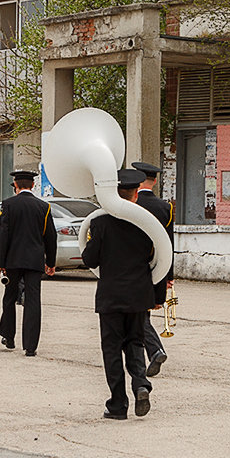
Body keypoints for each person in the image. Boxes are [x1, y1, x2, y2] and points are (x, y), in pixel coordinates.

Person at [82, 169, 155, 420]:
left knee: (112, 349)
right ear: (136, 194)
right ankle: (141, 384)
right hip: (138, 295)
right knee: (135, 342)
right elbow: (155, 258)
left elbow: (89, 258)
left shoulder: (100, 223)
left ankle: (118, 404)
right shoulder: (146, 222)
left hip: (111, 296)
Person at [0, 170, 57, 356]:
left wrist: (1, 263)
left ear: (16, 185)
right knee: (33, 301)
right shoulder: (43, 207)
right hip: (34, 261)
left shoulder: (8, 205)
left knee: (9, 297)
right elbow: (50, 237)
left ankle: (9, 336)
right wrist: (51, 262)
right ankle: (30, 346)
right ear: (32, 186)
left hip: (13, 261)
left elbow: (3, 235)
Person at [131, 161, 175, 377]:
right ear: (155, 181)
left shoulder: (131, 204)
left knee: (139, 315)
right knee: (143, 312)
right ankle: (152, 351)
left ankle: (155, 350)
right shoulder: (165, 207)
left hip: (133, 266)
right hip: (158, 265)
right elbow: (169, 243)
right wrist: (169, 275)